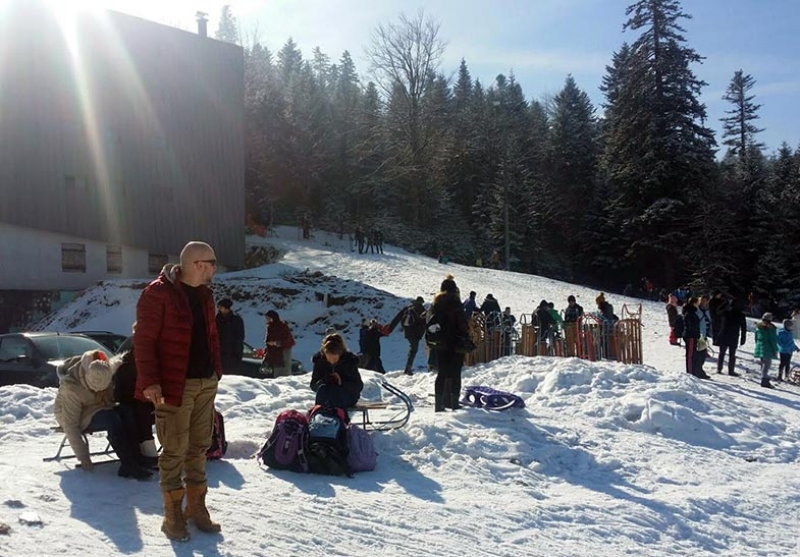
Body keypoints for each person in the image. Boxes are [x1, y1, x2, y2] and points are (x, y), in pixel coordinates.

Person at [134, 241, 223, 541]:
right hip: (174, 386)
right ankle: (172, 515)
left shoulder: (206, 295)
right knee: (174, 449)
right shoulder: (157, 293)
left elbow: (210, 336)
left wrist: (215, 373)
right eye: (211, 262)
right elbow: (143, 340)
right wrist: (150, 380)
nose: (214, 268)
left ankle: (196, 508)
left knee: (200, 447)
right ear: (198, 264)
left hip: (204, 383)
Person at [54, 350, 153, 480]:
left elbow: (111, 401)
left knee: (126, 412)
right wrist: (83, 457)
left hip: (99, 406)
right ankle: (128, 463)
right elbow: (70, 423)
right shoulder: (72, 388)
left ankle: (136, 456)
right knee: (111, 419)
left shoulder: (105, 371)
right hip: (74, 415)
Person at [113, 334, 158, 469]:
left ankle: (152, 455)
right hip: (132, 403)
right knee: (140, 414)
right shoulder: (126, 363)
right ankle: (149, 456)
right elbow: (122, 392)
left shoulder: (154, 359)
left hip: (147, 401)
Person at [428, 276, 469, 412]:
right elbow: (462, 325)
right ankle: (454, 403)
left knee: (441, 373)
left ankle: (438, 405)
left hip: (440, 343)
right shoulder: (456, 303)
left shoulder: (436, 304)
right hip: (456, 342)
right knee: (456, 373)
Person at [309, 333, 364, 408]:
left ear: (340, 355)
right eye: (329, 359)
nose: (332, 362)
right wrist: (324, 380)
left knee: (336, 393)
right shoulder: (319, 362)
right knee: (323, 390)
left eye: (335, 359)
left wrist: (342, 383)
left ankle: (337, 417)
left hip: (346, 395)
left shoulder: (349, 362)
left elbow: (359, 386)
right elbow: (313, 385)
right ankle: (321, 415)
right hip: (326, 395)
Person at [388, 297, 427, 375]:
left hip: (407, 332)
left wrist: (390, 329)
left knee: (412, 349)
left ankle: (408, 367)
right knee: (413, 350)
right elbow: (425, 322)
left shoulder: (408, 308)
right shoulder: (422, 310)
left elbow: (397, 318)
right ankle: (408, 369)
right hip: (416, 333)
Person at [682, 297, 710, 379]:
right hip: (693, 336)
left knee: (700, 355)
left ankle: (698, 371)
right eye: (699, 302)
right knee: (691, 355)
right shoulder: (691, 312)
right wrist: (698, 335)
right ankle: (691, 373)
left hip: (699, 336)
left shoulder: (696, 311)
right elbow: (691, 326)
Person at [264, 310, 296, 378]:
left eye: (269, 318)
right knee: (276, 371)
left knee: (284, 371)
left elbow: (287, 339)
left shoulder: (282, 326)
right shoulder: (270, 327)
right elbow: (268, 339)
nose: (267, 320)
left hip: (284, 350)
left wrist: (276, 343)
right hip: (274, 352)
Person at [215, 299, 244, 373]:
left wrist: (238, 354)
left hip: (232, 356)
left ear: (226, 308)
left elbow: (239, 338)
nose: (219, 309)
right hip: (218, 355)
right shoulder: (216, 320)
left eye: (220, 307)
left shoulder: (236, 321)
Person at [754, 312, 779, 389]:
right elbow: (773, 340)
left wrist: (758, 346)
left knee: (763, 363)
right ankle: (764, 380)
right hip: (768, 348)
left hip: (760, 346)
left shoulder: (758, 327)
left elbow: (756, 338)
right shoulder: (771, 328)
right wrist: (775, 350)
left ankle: (764, 379)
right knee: (767, 365)